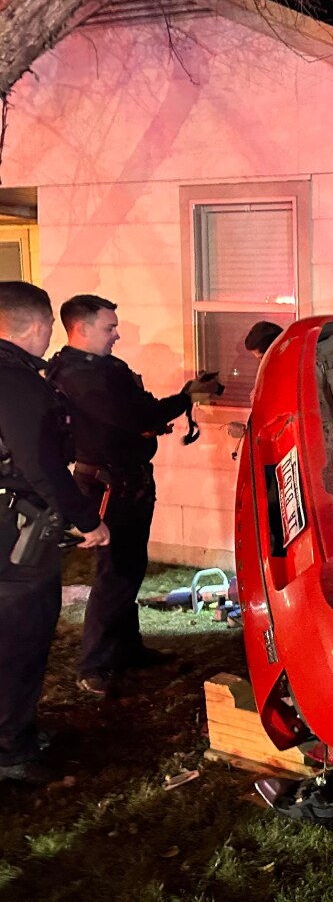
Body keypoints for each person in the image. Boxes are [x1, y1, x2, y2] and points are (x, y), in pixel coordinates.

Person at [46, 295, 222, 697]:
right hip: (109, 486)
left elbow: (137, 411)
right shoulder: (78, 375)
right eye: (109, 327)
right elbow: (134, 416)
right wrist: (186, 399)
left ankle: (127, 648)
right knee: (115, 575)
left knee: (129, 568)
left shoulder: (102, 368)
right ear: (82, 329)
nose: (117, 333)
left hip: (129, 480)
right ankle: (94, 664)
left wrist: (169, 407)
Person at [0, 283, 110, 783]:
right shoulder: (16, 382)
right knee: (20, 641)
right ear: (40, 324)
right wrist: (88, 519)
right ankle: (13, 752)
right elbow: (41, 465)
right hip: (15, 541)